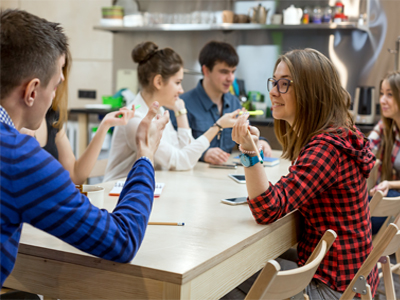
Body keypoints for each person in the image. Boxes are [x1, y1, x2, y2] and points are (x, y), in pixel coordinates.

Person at [0, 9, 169, 290]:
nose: (55, 96)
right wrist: (145, 156)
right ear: (31, 91)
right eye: (56, 86)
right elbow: (121, 240)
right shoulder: (20, 159)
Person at [230, 48, 378, 299]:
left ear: (311, 91)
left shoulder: (325, 148)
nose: (274, 91)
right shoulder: (337, 134)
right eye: (274, 82)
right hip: (356, 278)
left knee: (227, 280)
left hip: (335, 288)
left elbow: (267, 209)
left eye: (285, 84)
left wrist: (247, 150)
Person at [104, 41, 240, 182]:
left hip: (141, 192)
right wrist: (217, 127)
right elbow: (181, 162)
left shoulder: (160, 111)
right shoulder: (136, 121)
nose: (181, 90)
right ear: (158, 82)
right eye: (177, 82)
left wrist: (181, 113)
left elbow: (187, 156)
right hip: (118, 197)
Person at [20, 52, 135, 185]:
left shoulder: (52, 118)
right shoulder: (13, 128)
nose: (62, 77)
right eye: (59, 68)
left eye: (63, 69)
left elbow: (75, 176)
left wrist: (105, 125)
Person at [169, 40, 272, 165]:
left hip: (227, 177)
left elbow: (245, 133)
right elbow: (175, 149)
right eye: (224, 72)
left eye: (233, 71)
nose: (230, 78)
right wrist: (203, 153)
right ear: (206, 71)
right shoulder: (182, 104)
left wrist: (261, 141)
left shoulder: (234, 103)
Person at [369, 71, 400, 234]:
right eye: (381, 93)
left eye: (389, 94)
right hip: (391, 198)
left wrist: (389, 184)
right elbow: (365, 149)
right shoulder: (386, 126)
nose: (382, 100)